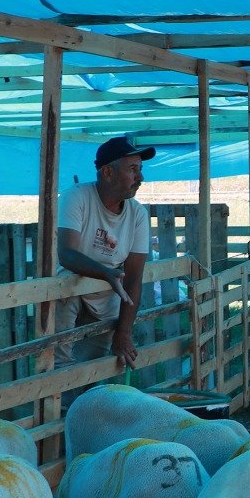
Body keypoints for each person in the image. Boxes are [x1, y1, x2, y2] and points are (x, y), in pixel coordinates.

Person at [55, 135, 154, 372]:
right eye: (132, 169)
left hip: (107, 297)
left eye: (140, 169)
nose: (140, 178)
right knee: (59, 363)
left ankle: (84, 408)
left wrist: (124, 331)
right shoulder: (76, 197)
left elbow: (133, 278)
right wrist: (107, 273)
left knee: (92, 369)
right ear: (108, 173)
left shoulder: (138, 215)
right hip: (69, 292)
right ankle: (57, 409)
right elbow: (67, 254)